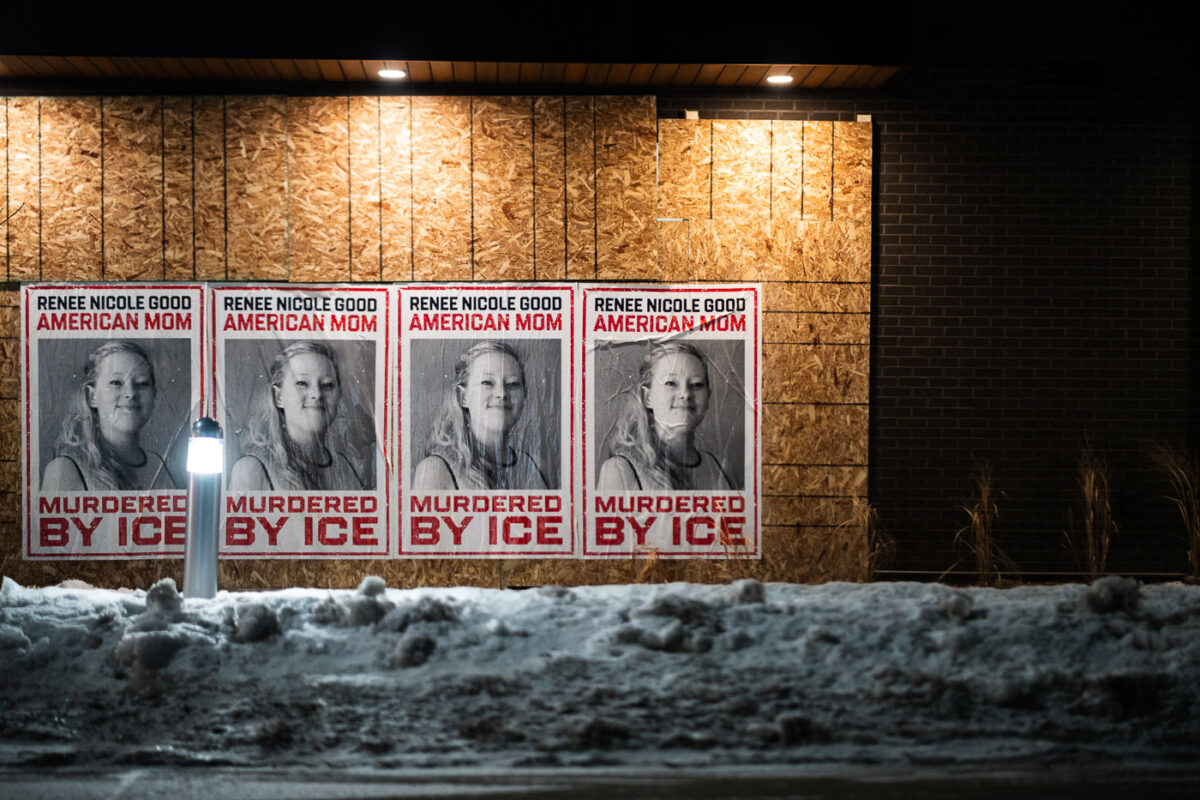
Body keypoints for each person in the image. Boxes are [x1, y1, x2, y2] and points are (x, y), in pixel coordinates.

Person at [597, 341, 736, 492]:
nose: (685, 394)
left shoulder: (721, 469)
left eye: (696, 385)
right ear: (647, 397)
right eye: (671, 383)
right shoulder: (620, 471)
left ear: (708, 397)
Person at [413, 340, 550, 491]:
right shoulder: (436, 470)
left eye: (512, 384)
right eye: (487, 382)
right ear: (463, 397)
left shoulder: (537, 467)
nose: (502, 394)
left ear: (524, 397)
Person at [42, 340, 177, 491]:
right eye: (116, 383)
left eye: (142, 383)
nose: (131, 394)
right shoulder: (65, 470)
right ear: (92, 396)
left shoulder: (161, 464)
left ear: (153, 395)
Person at [230, 341, 365, 491]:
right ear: (278, 397)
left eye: (327, 385)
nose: (317, 394)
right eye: (302, 383)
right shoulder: (252, 470)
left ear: (339, 396)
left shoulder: (345, 466)